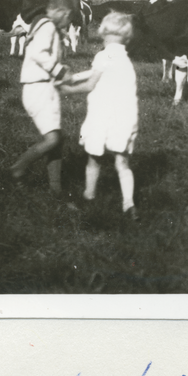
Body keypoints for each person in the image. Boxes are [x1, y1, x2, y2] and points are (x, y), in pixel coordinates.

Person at [59, 11, 139, 220]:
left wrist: (65, 90)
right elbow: (97, 72)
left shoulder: (103, 55)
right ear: (127, 38)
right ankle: (129, 204)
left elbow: (91, 83)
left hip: (101, 119)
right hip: (124, 119)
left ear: (103, 33)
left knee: (94, 159)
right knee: (122, 163)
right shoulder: (124, 59)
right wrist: (74, 77)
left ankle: (89, 196)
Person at [11, 0, 76, 193]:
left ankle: (56, 190)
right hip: (38, 88)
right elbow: (40, 54)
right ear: (60, 11)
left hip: (43, 87)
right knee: (53, 139)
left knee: (57, 139)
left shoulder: (45, 25)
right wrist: (59, 70)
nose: (67, 24)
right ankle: (18, 168)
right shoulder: (47, 26)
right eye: (68, 18)